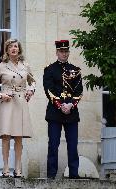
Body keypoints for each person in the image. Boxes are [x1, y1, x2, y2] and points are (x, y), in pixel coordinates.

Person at [0, 38, 36, 178]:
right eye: (10, 47)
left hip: (20, 102)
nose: (14, 49)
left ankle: (18, 169)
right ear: (7, 50)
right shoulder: (1, 66)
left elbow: (32, 82)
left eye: (16, 46)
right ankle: (5, 168)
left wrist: (31, 91)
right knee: (6, 136)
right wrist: (0, 95)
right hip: (7, 103)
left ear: (19, 49)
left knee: (19, 137)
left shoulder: (25, 65)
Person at [43, 40, 83, 179]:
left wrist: (71, 104)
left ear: (68, 53)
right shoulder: (49, 69)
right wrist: (61, 105)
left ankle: (73, 174)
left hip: (71, 112)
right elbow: (49, 90)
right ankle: (51, 175)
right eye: (61, 51)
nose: (64, 54)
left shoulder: (76, 70)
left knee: (73, 145)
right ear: (57, 52)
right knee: (53, 145)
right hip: (55, 112)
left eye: (66, 51)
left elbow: (79, 91)